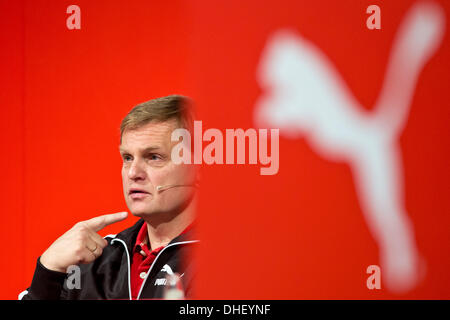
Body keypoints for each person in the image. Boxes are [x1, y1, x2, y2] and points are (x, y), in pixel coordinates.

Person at [19, 95, 200, 300]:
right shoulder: (93, 264)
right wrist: (48, 270)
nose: (133, 172)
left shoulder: (227, 261)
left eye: (154, 157)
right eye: (127, 158)